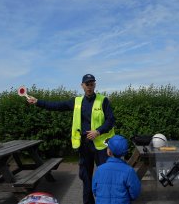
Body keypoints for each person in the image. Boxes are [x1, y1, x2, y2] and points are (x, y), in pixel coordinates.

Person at [27, 74, 115, 204]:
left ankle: (106, 201)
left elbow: (111, 120)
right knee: (86, 178)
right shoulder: (76, 101)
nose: (89, 87)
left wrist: (98, 131)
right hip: (84, 145)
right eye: (87, 84)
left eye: (92, 84)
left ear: (95, 85)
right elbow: (57, 105)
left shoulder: (103, 100)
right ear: (82, 86)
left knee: (105, 177)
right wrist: (38, 102)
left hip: (101, 146)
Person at [92, 135, 141, 204]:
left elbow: (95, 190)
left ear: (109, 152)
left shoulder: (100, 169)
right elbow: (135, 193)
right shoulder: (129, 171)